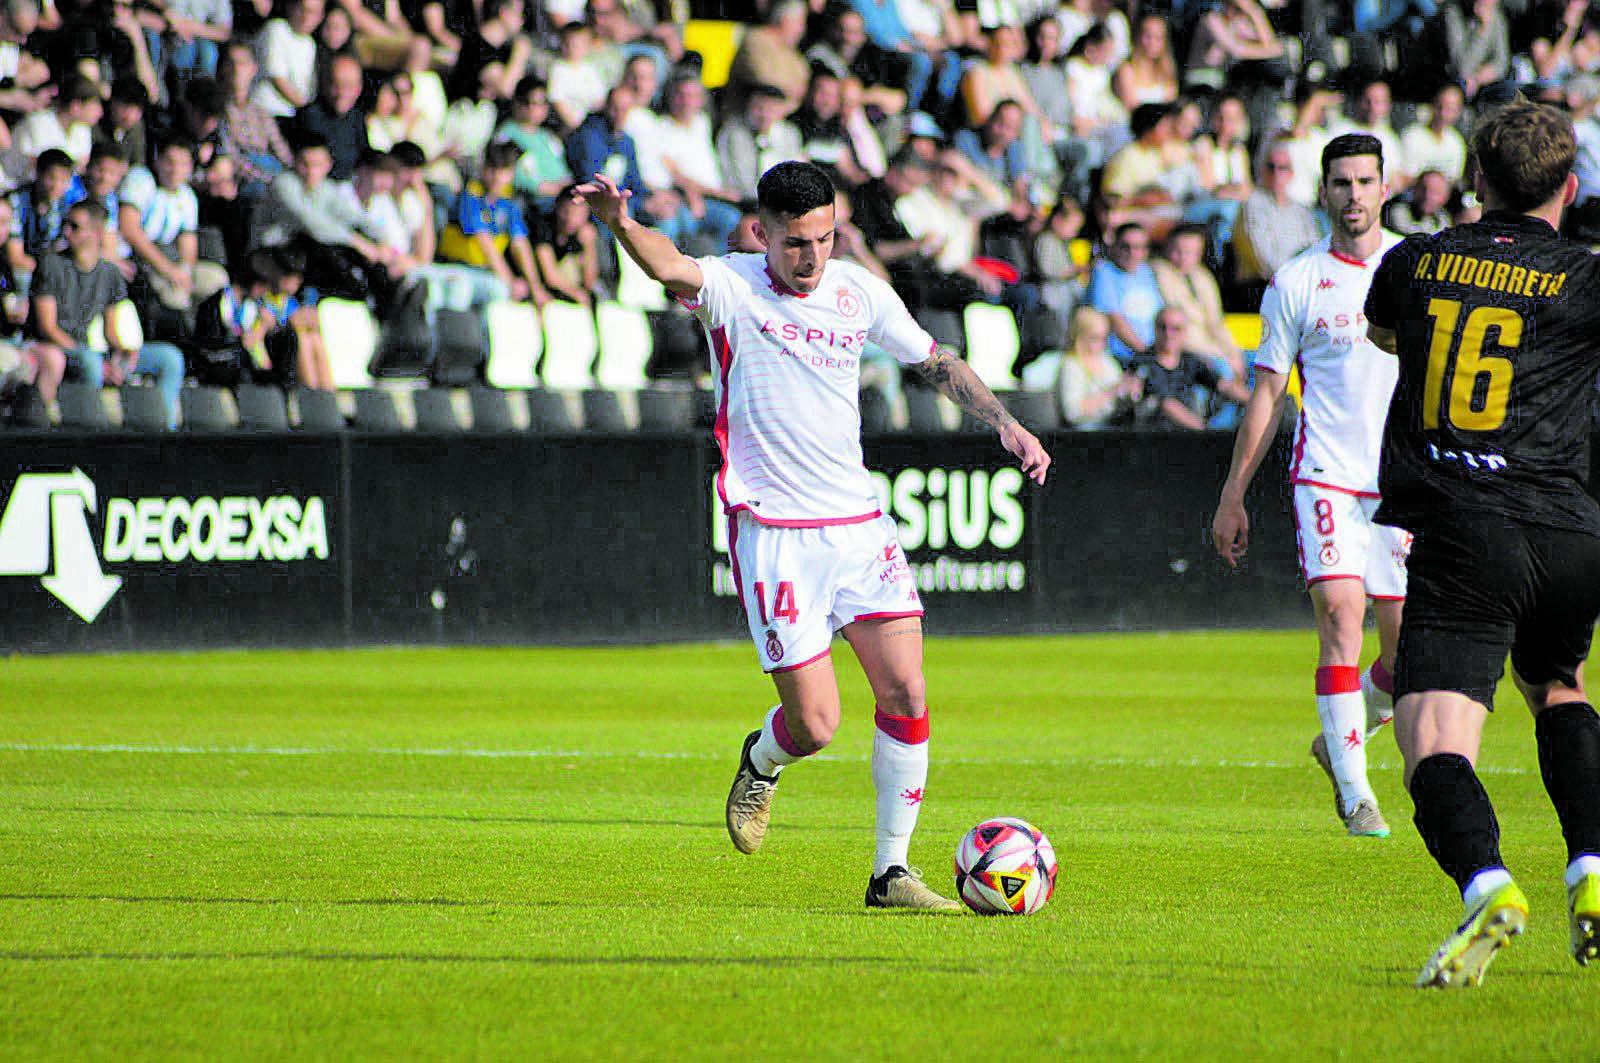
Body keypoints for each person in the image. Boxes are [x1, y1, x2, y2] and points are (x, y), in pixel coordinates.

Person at [575, 159, 1050, 910]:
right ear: (763, 234)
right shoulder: (731, 284)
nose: (813, 257)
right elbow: (666, 263)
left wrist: (1006, 423)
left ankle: (890, 872)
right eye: (797, 242)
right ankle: (762, 758)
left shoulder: (858, 289)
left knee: (907, 686)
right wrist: (618, 222)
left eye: (825, 238)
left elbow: (934, 360)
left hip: (858, 522)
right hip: (774, 529)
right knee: (817, 722)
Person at [1362, 97, 1600, 988]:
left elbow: (1387, 334)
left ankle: (1488, 884)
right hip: (1574, 529)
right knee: (1560, 687)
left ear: (1474, 180)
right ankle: (1592, 867)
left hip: (1467, 527)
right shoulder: (1586, 274)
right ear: (1569, 188)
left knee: (1431, 739)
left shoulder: (1417, 258)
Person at [1212, 133, 1406, 839]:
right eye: (1341, 183)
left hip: (1401, 485)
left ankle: (1338, 743)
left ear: (1386, 186)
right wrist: (1234, 491)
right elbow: (1267, 393)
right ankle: (1357, 796)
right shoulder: (1297, 279)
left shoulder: (1414, 266)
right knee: (1338, 619)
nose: (1353, 195)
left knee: (1406, 655)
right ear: (1322, 192)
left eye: (1365, 181)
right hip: (1324, 475)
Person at [27, 199, 186, 426]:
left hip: (89, 350)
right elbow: (47, 327)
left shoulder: (109, 273)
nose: (66, 231)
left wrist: (121, 354)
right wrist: (94, 359)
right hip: (58, 346)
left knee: (169, 358)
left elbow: (110, 330)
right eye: (66, 224)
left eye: (75, 226)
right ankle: (89, 430)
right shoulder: (51, 264)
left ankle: (164, 429)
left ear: (96, 232)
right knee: (90, 363)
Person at [1128, 305, 1248, 429]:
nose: (1168, 334)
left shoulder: (1190, 361)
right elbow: (1167, 405)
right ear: (1154, 329)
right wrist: (1205, 434)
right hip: (1154, 436)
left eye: (1176, 329)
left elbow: (1223, 385)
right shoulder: (1142, 362)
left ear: (1185, 332)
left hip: (1188, 433)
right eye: (1163, 327)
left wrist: (1253, 402)